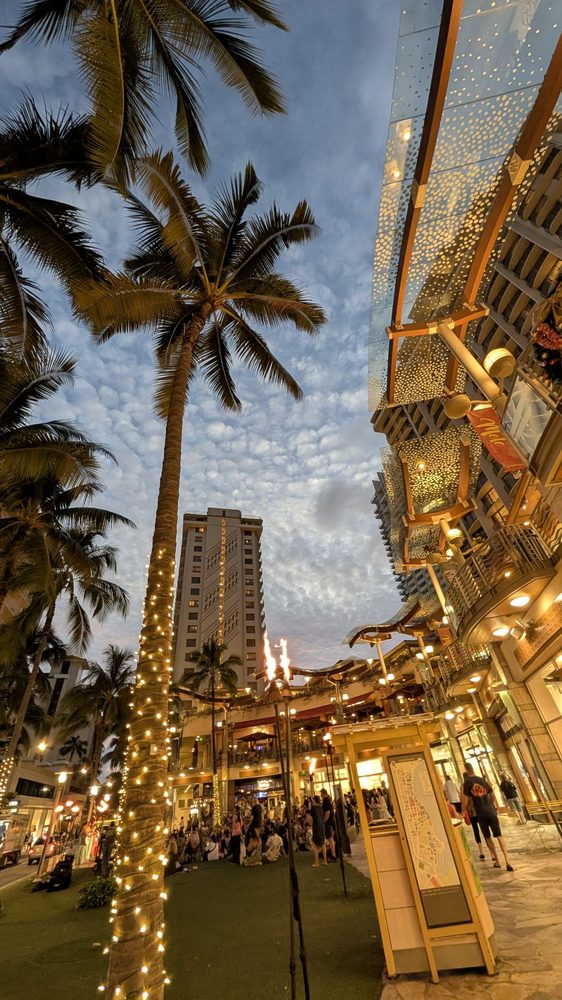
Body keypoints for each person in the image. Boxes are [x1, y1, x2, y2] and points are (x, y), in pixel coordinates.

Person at [462, 764, 513, 872]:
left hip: (480, 814)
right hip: (491, 812)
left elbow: (465, 800)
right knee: (499, 835)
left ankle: (497, 860)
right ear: (473, 769)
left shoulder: (467, 783)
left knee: (487, 836)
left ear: (466, 770)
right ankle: (507, 861)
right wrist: (490, 805)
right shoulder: (483, 780)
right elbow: (493, 796)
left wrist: (462, 811)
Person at [462, 775, 486, 860]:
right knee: (485, 830)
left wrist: (463, 810)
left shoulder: (465, 787)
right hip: (480, 811)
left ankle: (481, 851)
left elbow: (464, 800)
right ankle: (492, 854)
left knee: (476, 830)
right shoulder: (477, 785)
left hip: (472, 813)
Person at [310, 794, 327, 867]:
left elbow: (311, 819)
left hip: (316, 826)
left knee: (314, 843)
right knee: (323, 843)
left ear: (314, 800)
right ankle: (325, 861)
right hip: (322, 826)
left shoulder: (313, 808)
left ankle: (316, 862)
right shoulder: (321, 807)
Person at [320, 788, 336, 860]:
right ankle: (332, 854)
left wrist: (324, 821)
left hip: (328, 822)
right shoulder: (327, 800)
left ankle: (333, 855)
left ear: (323, 793)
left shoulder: (326, 801)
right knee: (330, 838)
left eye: (321, 793)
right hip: (329, 822)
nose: (320, 795)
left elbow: (327, 812)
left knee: (330, 838)